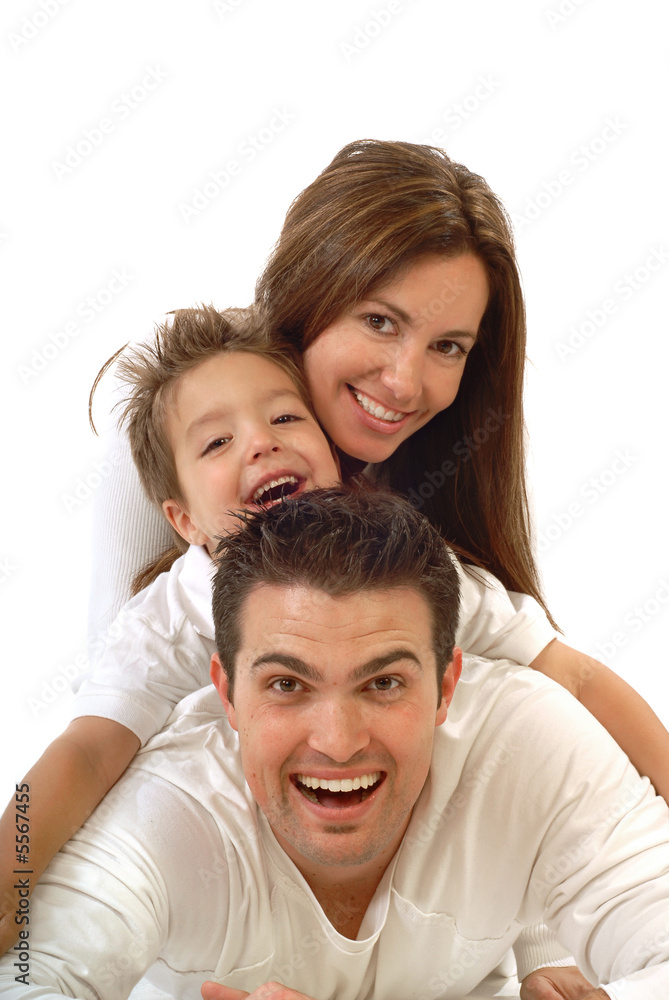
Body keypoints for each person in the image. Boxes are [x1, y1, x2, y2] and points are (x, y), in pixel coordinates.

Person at [86, 140, 669, 812]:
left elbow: (570, 676)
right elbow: (104, 712)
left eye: (447, 346)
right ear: (304, 299)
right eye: (378, 321)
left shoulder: (431, 526)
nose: (403, 382)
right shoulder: (186, 426)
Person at [0, 304, 566, 979]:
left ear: (335, 457)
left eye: (285, 418)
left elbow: (548, 711)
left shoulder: (408, 572)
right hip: (237, 933)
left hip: (424, 937)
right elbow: (86, 752)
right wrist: (13, 866)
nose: (260, 444)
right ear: (183, 521)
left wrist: (542, 950)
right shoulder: (168, 618)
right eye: (216, 444)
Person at [0, 488, 667, 1000]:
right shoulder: (167, 808)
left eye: (382, 683)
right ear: (226, 694)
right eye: (288, 684)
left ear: (444, 687)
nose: (338, 742)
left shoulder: (528, 740)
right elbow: (26, 978)